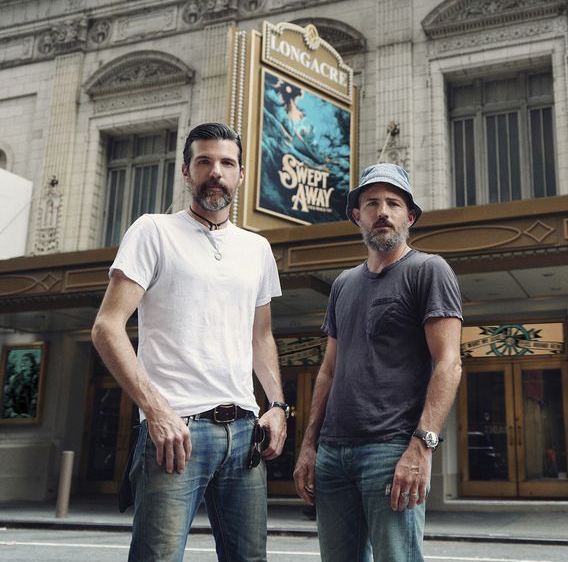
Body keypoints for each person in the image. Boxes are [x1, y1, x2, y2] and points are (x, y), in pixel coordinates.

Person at [92, 122, 288, 561]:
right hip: (176, 430)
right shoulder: (153, 231)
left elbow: (261, 336)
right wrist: (157, 411)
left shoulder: (257, 248)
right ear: (186, 171)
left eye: (226, 163)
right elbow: (107, 327)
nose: (215, 171)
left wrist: (276, 405)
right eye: (204, 161)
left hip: (244, 434)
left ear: (240, 173)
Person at [293, 163, 463, 561]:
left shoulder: (429, 270)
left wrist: (422, 447)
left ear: (410, 216)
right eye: (371, 203)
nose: (382, 211)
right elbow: (329, 370)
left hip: (392, 449)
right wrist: (308, 445)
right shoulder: (343, 285)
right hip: (333, 455)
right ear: (357, 216)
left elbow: (448, 364)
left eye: (393, 203)